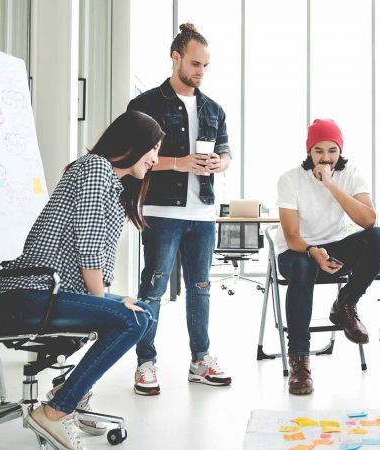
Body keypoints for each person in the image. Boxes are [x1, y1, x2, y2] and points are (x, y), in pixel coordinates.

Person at [0, 111, 162, 450]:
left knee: (142, 312)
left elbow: (92, 252)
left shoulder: (107, 179)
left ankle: (70, 392)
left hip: (48, 293)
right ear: (132, 144)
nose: (156, 159)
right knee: (132, 318)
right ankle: (56, 411)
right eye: (153, 148)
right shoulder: (96, 170)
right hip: (27, 295)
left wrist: (108, 301)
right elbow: (89, 249)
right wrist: (106, 303)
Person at [127, 23, 233, 395]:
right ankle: (145, 362)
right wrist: (179, 163)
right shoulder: (145, 106)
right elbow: (131, 158)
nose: (201, 72)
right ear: (176, 58)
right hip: (160, 211)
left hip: (203, 214)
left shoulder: (214, 109)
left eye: (206, 65)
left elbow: (225, 151)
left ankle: (200, 359)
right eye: (195, 63)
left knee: (201, 289)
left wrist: (221, 162)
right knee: (152, 288)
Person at [276, 119, 380, 395]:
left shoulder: (352, 174)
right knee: (304, 266)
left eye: (332, 150)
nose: (326, 158)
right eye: (318, 151)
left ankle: (346, 303)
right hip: (298, 252)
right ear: (309, 151)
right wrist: (313, 251)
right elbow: (291, 236)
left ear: (340, 151)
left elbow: (368, 220)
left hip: (334, 249)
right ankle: (300, 360)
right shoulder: (290, 179)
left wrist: (331, 185)